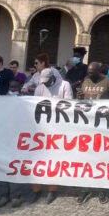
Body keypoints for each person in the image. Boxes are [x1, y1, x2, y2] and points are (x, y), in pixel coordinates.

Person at [76, 62, 109, 205]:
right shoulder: (85, 81)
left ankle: (102, 189)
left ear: (99, 71)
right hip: (87, 126)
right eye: (88, 72)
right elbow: (80, 103)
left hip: (103, 127)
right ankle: (85, 188)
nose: (90, 74)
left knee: (101, 159)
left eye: (92, 72)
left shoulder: (108, 83)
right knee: (86, 159)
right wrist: (79, 98)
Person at [31, 68, 72, 204]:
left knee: (53, 161)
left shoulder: (64, 85)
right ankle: (36, 190)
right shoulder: (40, 88)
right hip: (41, 129)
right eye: (43, 82)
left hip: (58, 129)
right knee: (37, 160)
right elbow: (34, 106)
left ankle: (52, 190)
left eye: (48, 82)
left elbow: (68, 105)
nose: (46, 84)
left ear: (53, 77)